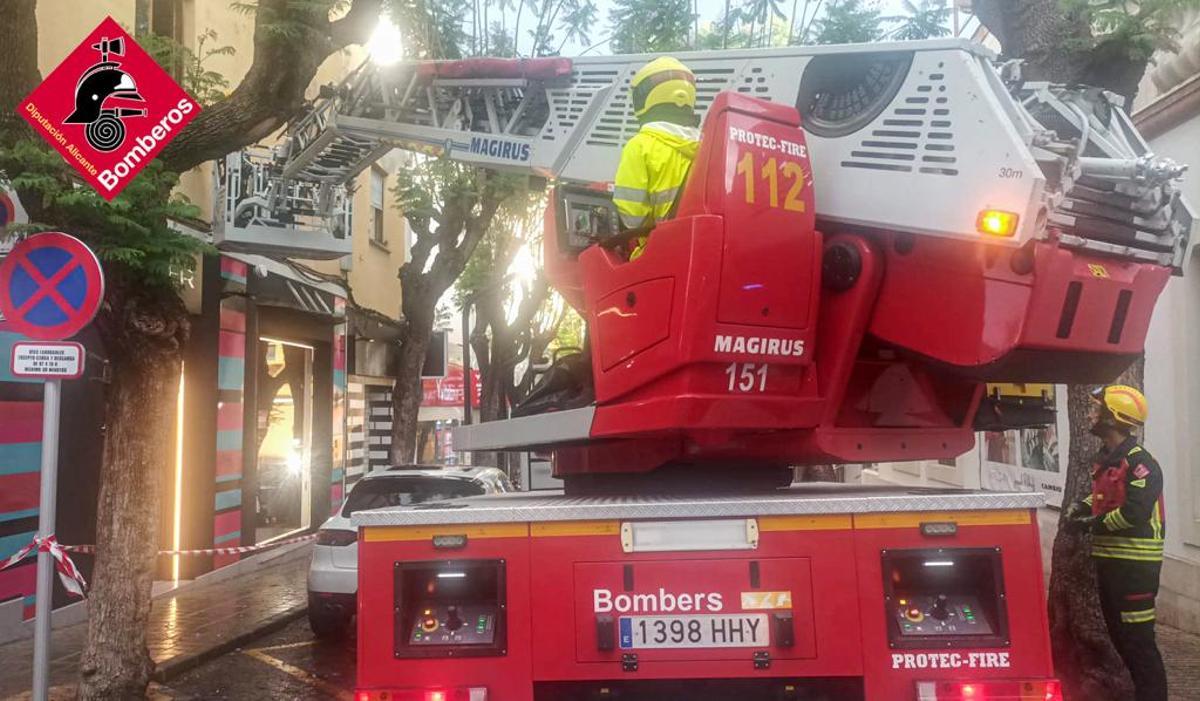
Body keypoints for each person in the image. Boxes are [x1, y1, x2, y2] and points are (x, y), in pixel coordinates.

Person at [1065, 384, 1167, 701]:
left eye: (1098, 408)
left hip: (1136, 569)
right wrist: (1082, 506)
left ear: (1113, 418)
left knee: (1138, 644)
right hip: (1114, 566)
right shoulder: (1112, 460)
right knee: (1123, 641)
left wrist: (1093, 524)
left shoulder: (1141, 465)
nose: (1091, 413)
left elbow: (1134, 513)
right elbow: (1106, 497)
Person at [612, 56, 701, 260]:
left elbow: (632, 219)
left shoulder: (640, 146)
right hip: (699, 254)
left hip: (659, 258)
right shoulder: (709, 145)